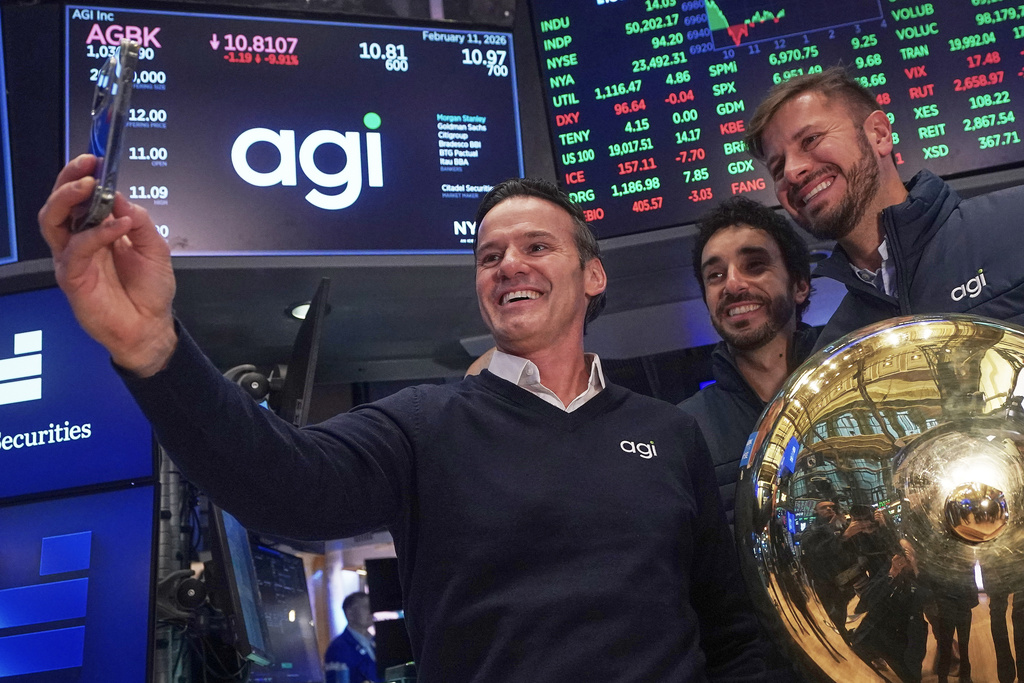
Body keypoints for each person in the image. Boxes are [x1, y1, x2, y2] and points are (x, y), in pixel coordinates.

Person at [39, 162, 764, 682]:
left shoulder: (671, 434)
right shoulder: (426, 422)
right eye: (489, 256)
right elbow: (284, 485)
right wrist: (154, 348)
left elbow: (732, 632)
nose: (509, 264)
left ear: (592, 275)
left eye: (536, 246)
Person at [744, 66, 1024, 350]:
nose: (792, 171)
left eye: (811, 140)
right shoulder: (834, 355)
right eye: (778, 167)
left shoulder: (1016, 222)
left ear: (879, 134)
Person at [678, 196, 815, 525]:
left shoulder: (856, 391)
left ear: (799, 286)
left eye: (755, 266)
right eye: (715, 275)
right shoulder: (684, 431)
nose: (733, 284)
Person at [325, 592, 380, 683]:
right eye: (365, 607)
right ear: (350, 614)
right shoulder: (338, 648)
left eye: (371, 606)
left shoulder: (377, 642)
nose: (370, 611)